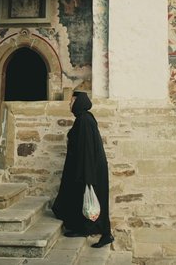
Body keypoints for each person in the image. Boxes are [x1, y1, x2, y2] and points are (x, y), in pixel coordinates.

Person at [52, 90, 114, 248]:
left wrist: (87, 175)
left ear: (79, 103)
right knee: (80, 198)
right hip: (86, 167)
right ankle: (82, 228)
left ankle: (106, 235)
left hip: (89, 168)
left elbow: (87, 149)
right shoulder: (84, 118)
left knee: (96, 200)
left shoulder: (84, 120)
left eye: (71, 102)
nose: (69, 104)